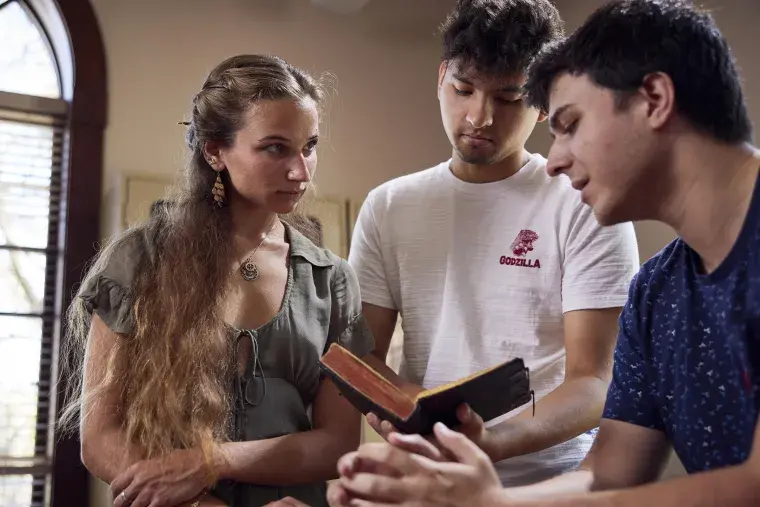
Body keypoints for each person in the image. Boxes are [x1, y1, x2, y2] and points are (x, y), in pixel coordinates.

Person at [327, 1, 760, 506]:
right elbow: (608, 476)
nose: (553, 160)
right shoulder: (656, 291)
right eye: (464, 90)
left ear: (655, 99)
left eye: (570, 124)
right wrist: (484, 484)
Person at [347, 0, 640, 488]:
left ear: (543, 100)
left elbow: (594, 381)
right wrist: (408, 408)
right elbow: (365, 355)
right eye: (463, 89)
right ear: (441, 78)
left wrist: (486, 441)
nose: (479, 117)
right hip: (429, 476)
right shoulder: (389, 205)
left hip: (549, 483)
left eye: (508, 98)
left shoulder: (583, 203)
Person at [59, 54, 373, 507]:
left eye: (309, 147)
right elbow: (100, 436)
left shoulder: (331, 280)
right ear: (214, 151)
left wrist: (212, 460)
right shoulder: (140, 260)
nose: (300, 171)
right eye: (275, 148)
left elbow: (338, 442)